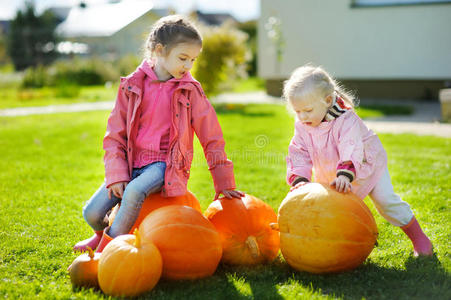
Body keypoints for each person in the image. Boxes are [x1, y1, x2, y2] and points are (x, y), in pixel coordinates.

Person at [73, 15, 244, 253]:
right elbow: (114, 134)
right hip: (132, 162)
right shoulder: (132, 85)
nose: (188, 66)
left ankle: (106, 251)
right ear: (159, 50)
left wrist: (224, 180)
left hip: (165, 164)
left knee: (134, 190)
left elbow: (211, 135)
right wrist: (116, 174)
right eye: (183, 58)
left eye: (193, 60)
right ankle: (99, 234)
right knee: (91, 212)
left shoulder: (190, 90)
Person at [284, 65, 433, 256]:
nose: (302, 117)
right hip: (331, 174)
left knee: (385, 201)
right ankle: (344, 246)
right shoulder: (303, 126)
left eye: (308, 110)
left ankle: (419, 237)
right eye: (297, 112)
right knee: (332, 212)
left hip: (365, 165)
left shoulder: (346, 120)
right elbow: (298, 152)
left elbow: (351, 147)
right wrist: (300, 180)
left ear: (327, 101)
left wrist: (345, 174)